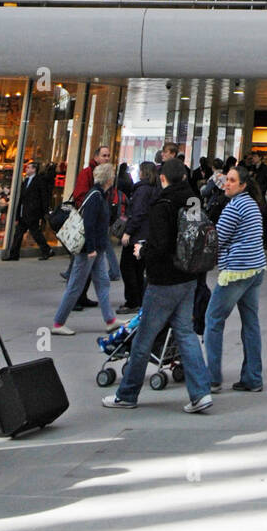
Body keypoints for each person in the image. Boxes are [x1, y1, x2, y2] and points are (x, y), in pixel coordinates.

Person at [102, 158, 212, 414]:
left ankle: (127, 394)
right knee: (185, 333)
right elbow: (193, 236)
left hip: (164, 279)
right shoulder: (193, 200)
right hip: (189, 276)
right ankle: (200, 393)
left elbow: (161, 245)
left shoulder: (162, 204)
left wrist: (143, 250)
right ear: (184, 177)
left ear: (163, 179)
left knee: (144, 338)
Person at [205, 165, 267, 394]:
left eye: (232, 181)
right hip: (256, 269)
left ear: (242, 185)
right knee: (250, 323)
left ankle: (211, 377)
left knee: (213, 319)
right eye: (227, 180)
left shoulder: (234, 207)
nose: (227, 184)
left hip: (237, 271)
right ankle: (253, 377)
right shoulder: (251, 203)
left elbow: (217, 238)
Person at [51, 162, 118, 334]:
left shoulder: (99, 194)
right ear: (109, 179)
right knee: (75, 285)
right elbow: (88, 223)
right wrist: (90, 249)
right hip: (89, 249)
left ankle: (110, 320)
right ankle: (58, 323)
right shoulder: (95, 196)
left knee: (102, 283)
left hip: (97, 247)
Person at [118, 161, 158, 313]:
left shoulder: (141, 190)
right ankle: (139, 299)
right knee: (138, 269)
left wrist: (128, 231)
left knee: (128, 267)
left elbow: (138, 213)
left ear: (143, 172)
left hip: (137, 235)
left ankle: (132, 300)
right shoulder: (154, 189)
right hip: (147, 234)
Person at [5, 157, 52, 260]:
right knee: (19, 233)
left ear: (34, 169)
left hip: (32, 212)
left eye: (28, 168)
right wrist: (18, 214)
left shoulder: (39, 181)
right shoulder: (26, 181)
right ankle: (14, 255)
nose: (26, 169)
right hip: (24, 212)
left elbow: (43, 197)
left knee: (35, 233)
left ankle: (46, 250)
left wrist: (44, 211)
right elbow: (22, 198)